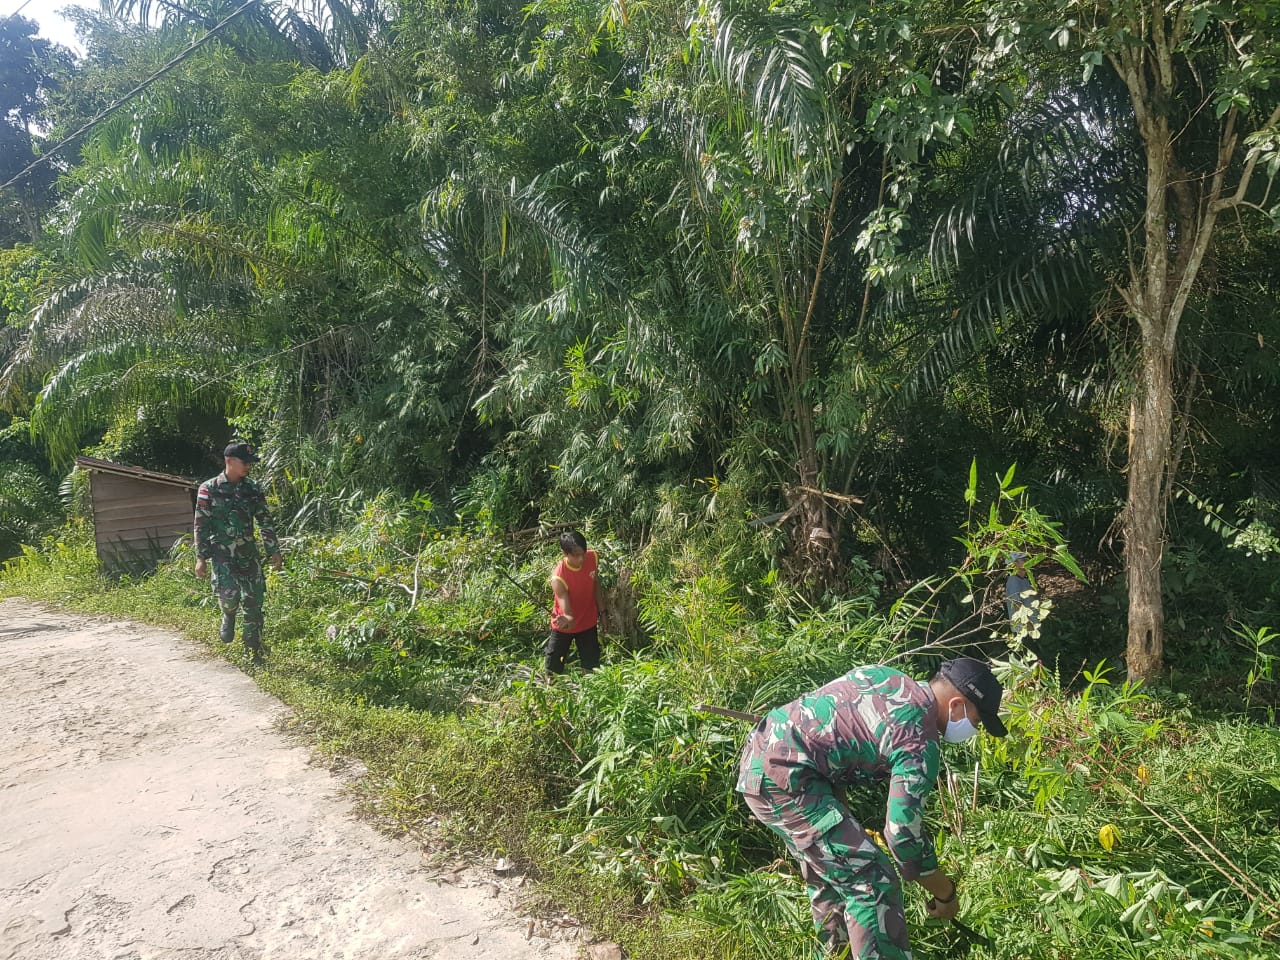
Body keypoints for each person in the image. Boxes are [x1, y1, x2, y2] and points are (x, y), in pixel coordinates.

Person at [737, 657, 1008, 959]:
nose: (974, 728)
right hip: (786, 779)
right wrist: (945, 893)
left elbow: (828, 736)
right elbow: (902, 834)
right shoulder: (918, 738)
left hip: (766, 762)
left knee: (835, 877)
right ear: (957, 706)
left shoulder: (884, 677)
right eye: (977, 720)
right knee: (872, 881)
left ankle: (834, 953)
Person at [193, 442, 282, 666]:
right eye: (245, 462)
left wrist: (273, 550)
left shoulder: (252, 488)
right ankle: (229, 614)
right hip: (222, 555)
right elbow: (200, 524)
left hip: (248, 554)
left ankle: (253, 651)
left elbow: (264, 520)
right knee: (230, 598)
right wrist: (200, 558)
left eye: (250, 463)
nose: (248, 467)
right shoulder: (209, 488)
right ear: (229, 461)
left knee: (254, 602)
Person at [546, 530, 608, 674]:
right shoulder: (558, 578)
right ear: (565, 553)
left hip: (588, 623)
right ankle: (551, 693)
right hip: (564, 627)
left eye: (583, 553)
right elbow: (567, 613)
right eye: (576, 555)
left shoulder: (593, 557)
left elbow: (596, 585)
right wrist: (568, 619)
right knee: (553, 668)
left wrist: (603, 612)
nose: (581, 559)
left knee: (591, 666)